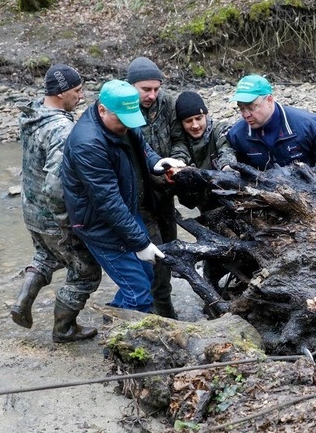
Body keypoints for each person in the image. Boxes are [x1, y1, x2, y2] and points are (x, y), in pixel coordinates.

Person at [61, 79, 186, 314]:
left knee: (146, 275)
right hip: (98, 224)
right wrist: (140, 243)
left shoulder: (123, 118)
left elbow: (141, 146)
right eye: (122, 121)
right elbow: (108, 202)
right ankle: (124, 346)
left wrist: (156, 161)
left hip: (125, 212)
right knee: (138, 294)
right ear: (102, 109)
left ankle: (113, 320)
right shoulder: (88, 144)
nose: (127, 126)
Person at [12, 63, 104, 343]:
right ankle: (64, 329)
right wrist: (68, 222)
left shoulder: (32, 114)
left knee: (47, 255)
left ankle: (22, 300)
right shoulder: (62, 130)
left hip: (31, 210)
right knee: (86, 272)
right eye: (77, 91)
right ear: (62, 93)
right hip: (53, 215)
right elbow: (56, 184)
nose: (81, 96)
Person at [126, 56, 189, 318]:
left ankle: (161, 306)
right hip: (137, 197)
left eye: (156, 88)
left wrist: (179, 163)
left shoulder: (169, 103)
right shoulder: (122, 108)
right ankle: (157, 311)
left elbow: (179, 140)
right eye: (145, 89)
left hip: (165, 191)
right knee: (153, 255)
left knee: (170, 248)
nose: (152, 95)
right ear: (131, 87)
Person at [173, 90, 237, 290]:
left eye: (199, 118)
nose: (194, 125)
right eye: (188, 121)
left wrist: (227, 169)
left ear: (206, 115)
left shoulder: (220, 130)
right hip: (205, 207)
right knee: (213, 253)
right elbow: (179, 153)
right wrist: (179, 166)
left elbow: (227, 150)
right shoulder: (181, 140)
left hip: (232, 202)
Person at [223, 74, 316, 177]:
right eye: (241, 108)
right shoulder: (236, 135)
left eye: (250, 107)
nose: (246, 115)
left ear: (269, 100)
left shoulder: (309, 125)